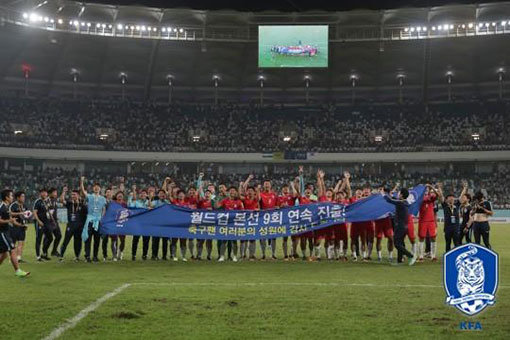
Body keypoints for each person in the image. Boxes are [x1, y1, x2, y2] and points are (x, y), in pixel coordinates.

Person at [383, 188, 417, 266]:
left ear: (401, 195)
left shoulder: (401, 202)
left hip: (400, 226)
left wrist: (383, 194)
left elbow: (389, 200)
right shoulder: (404, 202)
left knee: (397, 244)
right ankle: (399, 260)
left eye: (399, 193)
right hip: (403, 226)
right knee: (401, 243)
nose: (397, 194)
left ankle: (411, 256)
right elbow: (393, 199)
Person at [0, 189, 30, 277]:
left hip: (6, 232)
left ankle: (18, 271)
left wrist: (21, 225)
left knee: (4, 255)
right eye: (11, 196)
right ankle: (18, 271)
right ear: (6, 197)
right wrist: (10, 220)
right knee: (12, 250)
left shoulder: (6, 207)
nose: (12, 197)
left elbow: (12, 221)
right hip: (2, 233)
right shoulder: (1, 207)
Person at [80, 176, 107, 263]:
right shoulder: (90, 196)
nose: (96, 188)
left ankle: (95, 256)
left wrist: (102, 219)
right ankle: (87, 256)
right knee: (88, 238)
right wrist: (82, 181)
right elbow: (83, 191)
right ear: (93, 188)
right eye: (95, 187)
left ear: (100, 189)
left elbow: (104, 209)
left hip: (98, 221)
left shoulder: (103, 199)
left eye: (98, 187)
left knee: (97, 239)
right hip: (90, 220)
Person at [217, 186, 244, 262]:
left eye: (233, 191)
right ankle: (222, 256)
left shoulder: (239, 202)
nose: (232, 192)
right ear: (228, 192)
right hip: (226, 223)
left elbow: (242, 212)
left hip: (235, 224)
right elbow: (216, 206)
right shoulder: (224, 200)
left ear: (236, 193)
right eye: (231, 191)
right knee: (224, 240)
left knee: (234, 240)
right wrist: (219, 198)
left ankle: (235, 256)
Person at [59, 187, 86, 261]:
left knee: (77, 242)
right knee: (66, 241)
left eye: (74, 194)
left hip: (79, 227)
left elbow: (85, 216)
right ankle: (61, 256)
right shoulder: (69, 203)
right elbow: (61, 200)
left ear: (78, 195)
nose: (72, 196)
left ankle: (77, 257)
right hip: (70, 226)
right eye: (72, 195)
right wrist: (63, 192)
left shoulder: (82, 205)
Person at [128, 185, 152, 261]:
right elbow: (130, 205)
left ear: (146, 195)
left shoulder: (149, 202)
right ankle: (133, 255)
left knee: (146, 240)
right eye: (141, 193)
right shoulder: (137, 202)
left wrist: (150, 199)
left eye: (144, 193)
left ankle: (144, 255)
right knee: (135, 240)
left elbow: (152, 209)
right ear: (139, 195)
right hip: (137, 223)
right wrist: (130, 197)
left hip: (146, 224)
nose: (143, 194)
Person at [436, 183, 461, 252]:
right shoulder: (445, 206)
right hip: (447, 228)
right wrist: (439, 188)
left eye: (452, 197)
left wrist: (464, 188)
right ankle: (447, 255)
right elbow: (441, 196)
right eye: (449, 198)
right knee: (448, 243)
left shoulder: (457, 206)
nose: (451, 199)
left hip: (456, 227)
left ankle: (457, 255)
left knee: (457, 243)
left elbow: (461, 197)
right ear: (447, 200)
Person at [239, 175, 259, 260]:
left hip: (253, 221)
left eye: (251, 191)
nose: (250, 192)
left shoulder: (255, 199)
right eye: (248, 191)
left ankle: (252, 255)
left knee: (252, 239)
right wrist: (248, 179)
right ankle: (242, 255)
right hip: (244, 220)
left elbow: (258, 196)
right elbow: (241, 191)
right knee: (243, 239)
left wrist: (257, 190)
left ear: (254, 193)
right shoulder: (245, 199)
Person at [417, 185, 438, 262]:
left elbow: (437, 195)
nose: (426, 191)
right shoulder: (420, 198)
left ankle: (433, 256)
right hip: (422, 221)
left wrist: (432, 187)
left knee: (433, 237)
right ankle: (421, 256)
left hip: (431, 221)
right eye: (425, 190)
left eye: (427, 190)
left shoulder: (431, 198)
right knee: (421, 238)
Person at [259, 179, 279, 260]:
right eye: (265, 184)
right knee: (262, 236)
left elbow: (278, 206)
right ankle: (263, 254)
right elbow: (257, 202)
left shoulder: (274, 195)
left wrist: (277, 207)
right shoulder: (260, 194)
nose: (267, 185)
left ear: (270, 185)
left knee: (273, 236)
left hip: (272, 218)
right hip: (262, 218)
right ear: (263, 186)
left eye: (268, 184)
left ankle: (273, 254)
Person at [33, 189, 53, 261]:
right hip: (40, 222)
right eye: (43, 192)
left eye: (45, 192)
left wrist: (52, 219)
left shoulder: (47, 201)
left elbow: (49, 211)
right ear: (40, 193)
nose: (44, 194)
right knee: (39, 239)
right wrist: (38, 221)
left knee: (50, 238)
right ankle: (38, 256)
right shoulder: (38, 202)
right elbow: (34, 212)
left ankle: (44, 253)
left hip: (47, 222)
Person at [9, 191, 28, 263]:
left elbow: (25, 216)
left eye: (24, 196)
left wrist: (25, 224)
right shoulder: (13, 205)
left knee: (21, 242)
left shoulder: (24, 206)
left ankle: (19, 258)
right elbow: (10, 213)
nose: (24, 198)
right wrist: (20, 213)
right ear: (18, 197)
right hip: (14, 227)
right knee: (13, 244)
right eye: (22, 196)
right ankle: (12, 258)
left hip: (22, 227)